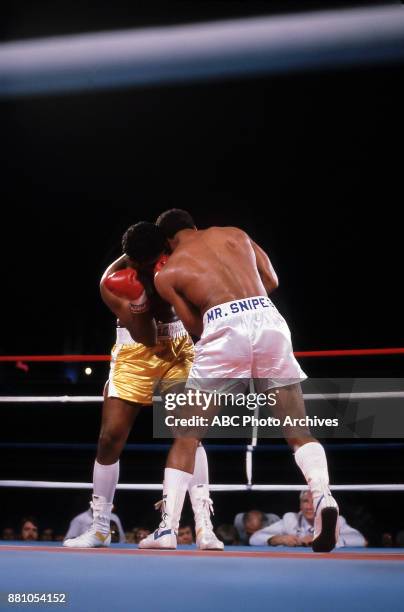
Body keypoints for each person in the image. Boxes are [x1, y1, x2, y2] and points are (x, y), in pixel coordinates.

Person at [143, 209, 339, 553]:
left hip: (221, 324)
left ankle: (167, 530)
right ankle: (323, 496)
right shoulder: (235, 232)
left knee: (187, 437)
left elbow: (195, 327)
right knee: (298, 430)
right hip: (268, 318)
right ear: (192, 225)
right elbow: (273, 281)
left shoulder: (168, 272)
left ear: (167, 242)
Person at [64, 222, 222, 551]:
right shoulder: (112, 282)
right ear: (133, 263)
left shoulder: (178, 264)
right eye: (144, 267)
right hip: (135, 351)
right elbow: (146, 336)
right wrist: (138, 299)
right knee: (110, 437)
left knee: (188, 434)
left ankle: (204, 527)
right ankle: (99, 527)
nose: (152, 270)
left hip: (178, 347)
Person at [250, 490, 366, 547]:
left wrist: (327, 540)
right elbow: (254, 539)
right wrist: (277, 539)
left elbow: (360, 541)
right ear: (300, 505)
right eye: (305, 501)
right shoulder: (290, 519)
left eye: (314, 501)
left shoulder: (335, 520)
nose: (309, 506)